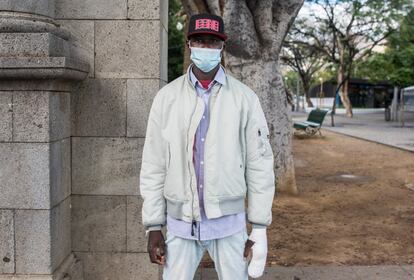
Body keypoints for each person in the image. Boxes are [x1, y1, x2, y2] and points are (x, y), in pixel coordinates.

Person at [139, 13, 275, 280]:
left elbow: (259, 165)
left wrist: (259, 227)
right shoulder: (166, 98)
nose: (206, 48)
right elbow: (154, 164)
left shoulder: (245, 99)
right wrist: (153, 225)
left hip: (230, 227)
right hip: (180, 227)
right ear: (189, 44)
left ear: (222, 47)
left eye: (212, 42)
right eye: (199, 41)